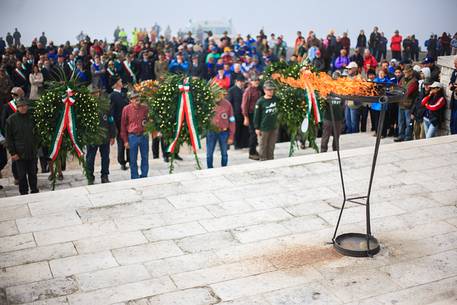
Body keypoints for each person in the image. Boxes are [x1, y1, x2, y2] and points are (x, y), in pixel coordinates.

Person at [5, 98, 39, 195]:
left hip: (32, 151)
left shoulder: (32, 117)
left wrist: (36, 145)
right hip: (19, 153)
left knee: (33, 173)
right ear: (17, 107)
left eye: (25, 106)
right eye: (21, 106)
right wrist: (13, 153)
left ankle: (34, 190)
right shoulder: (11, 120)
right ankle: (23, 192)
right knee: (22, 175)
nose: (23, 108)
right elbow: (9, 138)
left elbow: (37, 133)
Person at [86, 89, 116, 184]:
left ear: (99, 93)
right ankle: (90, 176)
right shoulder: (86, 107)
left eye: (96, 93)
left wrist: (112, 135)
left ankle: (105, 176)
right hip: (92, 138)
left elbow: (111, 120)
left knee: (105, 157)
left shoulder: (105, 106)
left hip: (105, 137)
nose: (95, 95)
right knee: (90, 158)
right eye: (92, 93)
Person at [120, 91, 149, 179]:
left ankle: (144, 175)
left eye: (138, 97)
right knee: (133, 158)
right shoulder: (126, 109)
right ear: (131, 100)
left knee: (145, 157)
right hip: (132, 136)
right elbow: (123, 125)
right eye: (134, 98)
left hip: (144, 135)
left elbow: (149, 121)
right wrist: (125, 141)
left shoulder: (145, 108)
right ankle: (135, 176)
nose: (137, 99)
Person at [1, 87, 25, 185]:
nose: (21, 97)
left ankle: (25, 174)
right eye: (19, 95)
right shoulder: (8, 106)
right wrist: (6, 137)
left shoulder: (25, 104)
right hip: (13, 137)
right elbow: (3, 122)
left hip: (25, 135)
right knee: (15, 157)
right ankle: (17, 177)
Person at [206, 93, 236, 168]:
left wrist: (231, 136)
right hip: (211, 132)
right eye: (216, 94)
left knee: (224, 153)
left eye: (220, 94)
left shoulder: (227, 104)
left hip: (224, 132)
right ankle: (209, 169)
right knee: (209, 154)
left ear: (223, 94)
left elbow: (232, 120)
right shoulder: (208, 103)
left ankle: (224, 168)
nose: (218, 96)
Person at [254, 80, 278, 161]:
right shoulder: (260, 101)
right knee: (263, 145)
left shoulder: (275, 99)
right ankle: (263, 159)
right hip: (263, 128)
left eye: (272, 90)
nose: (271, 91)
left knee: (271, 145)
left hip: (274, 126)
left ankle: (271, 159)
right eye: (269, 90)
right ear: (264, 90)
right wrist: (257, 127)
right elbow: (256, 116)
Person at [109, 77, 129, 170]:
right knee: (121, 142)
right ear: (116, 83)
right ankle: (122, 162)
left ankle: (130, 159)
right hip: (119, 122)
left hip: (128, 121)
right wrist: (114, 126)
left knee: (129, 141)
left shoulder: (124, 92)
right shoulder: (112, 95)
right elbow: (112, 111)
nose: (122, 82)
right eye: (120, 81)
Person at [242, 75, 262, 160]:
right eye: (254, 80)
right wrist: (245, 117)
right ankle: (251, 152)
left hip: (258, 114)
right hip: (251, 114)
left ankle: (254, 149)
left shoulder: (259, 90)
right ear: (251, 82)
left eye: (257, 80)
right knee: (253, 134)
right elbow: (244, 105)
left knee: (257, 133)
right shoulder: (248, 91)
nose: (256, 82)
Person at [395, 65, 418, 142]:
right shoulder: (402, 79)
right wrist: (401, 91)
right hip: (401, 103)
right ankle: (401, 135)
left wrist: (402, 91)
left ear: (410, 72)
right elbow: (398, 88)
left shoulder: (414, 81)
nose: (405, 73)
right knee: (400, 122)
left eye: (406, 72)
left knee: (408, 122)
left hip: (408, 105)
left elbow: (408, 92)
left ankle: (408, 137)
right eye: (404, 72)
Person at [227, 75, 249, 149]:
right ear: (236, 82)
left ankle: (244, 143)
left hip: (243, 113)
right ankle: (237, 145)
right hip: (236, 113)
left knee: (244, 129)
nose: (242, 83)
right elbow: (229, 103)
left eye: (243, 82)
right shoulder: (231, 90)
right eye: (240, 82)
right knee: (237, 130)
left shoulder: (244, 90)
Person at [449, 57, 457, 134]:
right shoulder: (454, 71)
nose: (454, 65)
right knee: (452, 121)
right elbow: (451, 81)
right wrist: (451, 85)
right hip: (454, 99)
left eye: (456, 63)